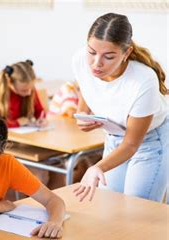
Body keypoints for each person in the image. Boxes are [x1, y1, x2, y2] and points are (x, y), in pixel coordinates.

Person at [72, 13, 168, 202]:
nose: (96, 63)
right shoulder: (80, 60)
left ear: (126, 53)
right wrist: (83, 112)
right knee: (111, 206)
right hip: (114, 138)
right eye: (91, 52)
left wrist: (97, 166)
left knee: (136, 210)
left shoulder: (143, 79)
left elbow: (131, 143)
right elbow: (87, 84)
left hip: (150, 141)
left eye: (108, 56)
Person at [0, 60, 47, 128]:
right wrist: (16, 123)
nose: (29, 93)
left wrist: (41, 119)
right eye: (24, 90)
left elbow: (39, 111)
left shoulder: (29, 89)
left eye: (31, 88)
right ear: (10, 83)